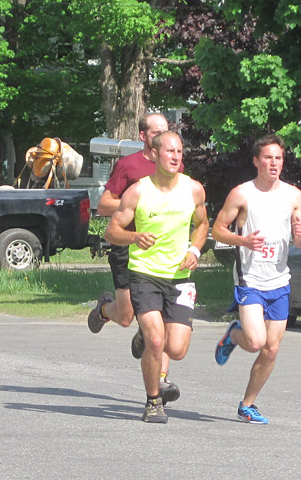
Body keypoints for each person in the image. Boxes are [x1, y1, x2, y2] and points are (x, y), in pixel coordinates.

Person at [104, 131, 208, 423]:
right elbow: (112, 231)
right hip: (144, 274)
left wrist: (196, 250)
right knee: (156, 340)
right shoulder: (138, 191)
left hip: (180, 276)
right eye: (170, 151)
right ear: (155, 154)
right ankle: (153, 402)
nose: (176, 157)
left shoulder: (193, 189)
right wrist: (134, 236)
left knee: (176, 348)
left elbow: (202, 224)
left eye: (179, 152)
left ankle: (148, 335)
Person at [212, 133, 301, 424]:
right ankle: (233, 334)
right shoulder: (242, 194)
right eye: (268, 158)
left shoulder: (294, 195)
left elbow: (300, 239)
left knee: (272, 347)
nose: (274, 163)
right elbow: (217, 230)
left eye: (278, 158)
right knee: (255, 342)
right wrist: (242, 243)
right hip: (250, 278)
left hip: (279, 280)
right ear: (256, 161)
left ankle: (247, 405)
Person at [87, 113, 181, 404]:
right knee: (127, 316)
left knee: (164, 318)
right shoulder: (129, 165)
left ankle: (161, 381)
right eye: (157, 132)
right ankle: (105, 309)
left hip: (163, 250)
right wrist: (140, 203)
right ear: (144, 136)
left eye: (167, 131)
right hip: (127, 246)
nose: (163, 137)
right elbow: (103, 206)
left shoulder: (175, 167)